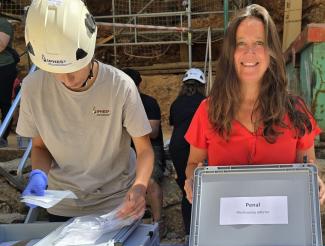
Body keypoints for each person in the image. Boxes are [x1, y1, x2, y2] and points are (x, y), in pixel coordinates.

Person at [17, 0, 154, 222]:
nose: (66, 79)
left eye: (72, 69)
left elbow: (144, 150)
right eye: (54, 71)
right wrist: (39, 174)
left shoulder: (119, 86)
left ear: (89, 50)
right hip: (63, 204)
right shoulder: (33, 88)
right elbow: (40, 146)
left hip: (117, 202)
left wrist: (139, 187)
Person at [184, 4, 325, 204]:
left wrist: (315, 181)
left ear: (271, 52)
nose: (250, 52)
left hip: (281, 230)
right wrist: (192, 179)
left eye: (259, 42)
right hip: (226, 229)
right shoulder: (208, 111)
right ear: (230, 53)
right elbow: (192, 164)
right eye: (241, 43)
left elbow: (308, 166)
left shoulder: (296, 111)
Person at [122, 68, 165, 224]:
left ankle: (157, 224)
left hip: (150, 150)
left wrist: (131, 125)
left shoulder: (149, 102)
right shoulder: (118, 103)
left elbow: (153, 132)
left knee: (151, 183)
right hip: (127, 150)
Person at [169, 68, 205, 234]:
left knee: (187, 187)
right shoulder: (205, 103)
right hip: (197, 147)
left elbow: (174, 125)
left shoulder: (176, 104)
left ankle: (189, 232)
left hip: (177, 147)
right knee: (204, 188)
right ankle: (203, 231)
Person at [0, 3, 18, 147]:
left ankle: (3, 136)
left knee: (4, 102)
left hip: (4, 68)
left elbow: (1, 46)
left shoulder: (3, 24)